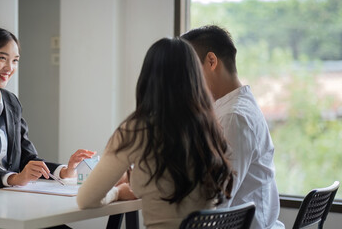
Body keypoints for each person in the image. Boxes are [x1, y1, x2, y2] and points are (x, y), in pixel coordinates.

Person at [77, 37, 234, 228]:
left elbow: (86, 199)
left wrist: (118, 193)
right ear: (196, 79)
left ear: (148, 79)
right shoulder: (210, 129)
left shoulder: (137, 130)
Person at [0, 27, 95, 188]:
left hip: (10, 195)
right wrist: (13, 178)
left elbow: (27, 159)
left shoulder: (11, 102)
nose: (9, 67)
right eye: (2, 58)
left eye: (15, 60)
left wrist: (64, 171)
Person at [182, 25, 285, 229]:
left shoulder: (233, 116)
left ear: (211, 61)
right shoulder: (237, 107)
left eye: (189, 70)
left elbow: (217, 201)